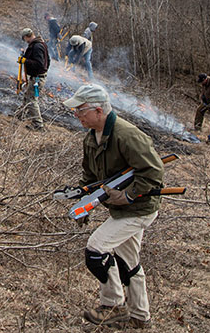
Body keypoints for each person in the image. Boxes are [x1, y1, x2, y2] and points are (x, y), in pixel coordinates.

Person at [65, 83, 163, 329]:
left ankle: (113, 306)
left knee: (96, 251)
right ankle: (141, 316)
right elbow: (90, 178)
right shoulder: (91, 139)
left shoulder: (127, 135)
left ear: (99, 111)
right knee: (127, 262)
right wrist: (83, 205)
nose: (77, 115)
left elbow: (153, 172)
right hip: (120, 209)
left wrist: (129, 196)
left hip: (139, 209)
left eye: (81, 111)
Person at [16, 28, 49, 130]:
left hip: (37, 78)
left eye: (24, 38)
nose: (25, 41)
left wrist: (26, 61)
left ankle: (38, 125)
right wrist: (25, 56)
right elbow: (48, 61)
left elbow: (39, 64)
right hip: (36, 77)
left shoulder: (37, 46)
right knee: (27, 95)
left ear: (27, 36)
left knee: (32, 100)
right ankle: (19, 115)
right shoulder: (38, 44)